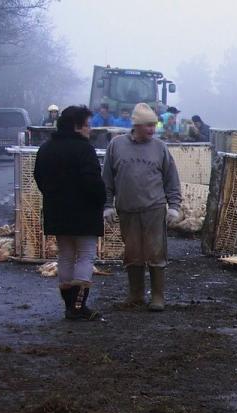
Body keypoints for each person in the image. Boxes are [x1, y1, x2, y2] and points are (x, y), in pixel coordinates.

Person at [102, 102, 183, 311]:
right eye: (147, 125)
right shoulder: (117, 145)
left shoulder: (159, 148)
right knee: (133, 252)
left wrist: (174, 205)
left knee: (156, 252)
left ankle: (157, 296)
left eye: (153, 125)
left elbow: (171, 179)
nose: (152, 129)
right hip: (127, 209)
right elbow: (107, 179)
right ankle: (136, 294)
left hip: (153, 208)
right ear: (136, 125)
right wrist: (107, 205)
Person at [33, 105, 106, 321]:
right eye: (87, 125)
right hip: (84, 212)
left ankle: (68, 306)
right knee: (85, 255)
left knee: (65, 255)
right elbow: (93, 181)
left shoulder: (46, 148)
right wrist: (100, 200)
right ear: (76, 126)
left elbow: (39, 177)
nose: (89, 130)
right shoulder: (84, 149)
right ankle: (78, 306)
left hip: (57, 211)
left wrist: (53, 196)